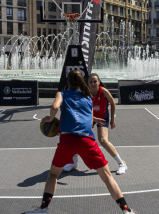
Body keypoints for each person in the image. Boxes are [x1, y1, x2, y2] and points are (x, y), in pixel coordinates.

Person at [25, 70, 135, 214]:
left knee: (53, 175)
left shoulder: (62, 94)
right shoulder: (88, 97)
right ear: (82, 81)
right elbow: (89, 124)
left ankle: (43, 209)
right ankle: (127, 210)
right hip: (86, 140)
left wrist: (51, 119)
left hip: (67, 140)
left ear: (68, 82)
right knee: (107, 176)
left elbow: (54, 107)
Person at [63, 73, 128, 175]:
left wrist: (112, 120)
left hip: (102, 117)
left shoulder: (103, 91)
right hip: (89, 117)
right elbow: (81, 110)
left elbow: (112, 103)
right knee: (77, 138)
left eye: (95, 81)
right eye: (91, 82)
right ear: (88, 83)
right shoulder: (85, 92)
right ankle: (73, 162)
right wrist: (93, 118)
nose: (93, 83)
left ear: (98, 82)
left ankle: (122, 163)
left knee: (103, 140)